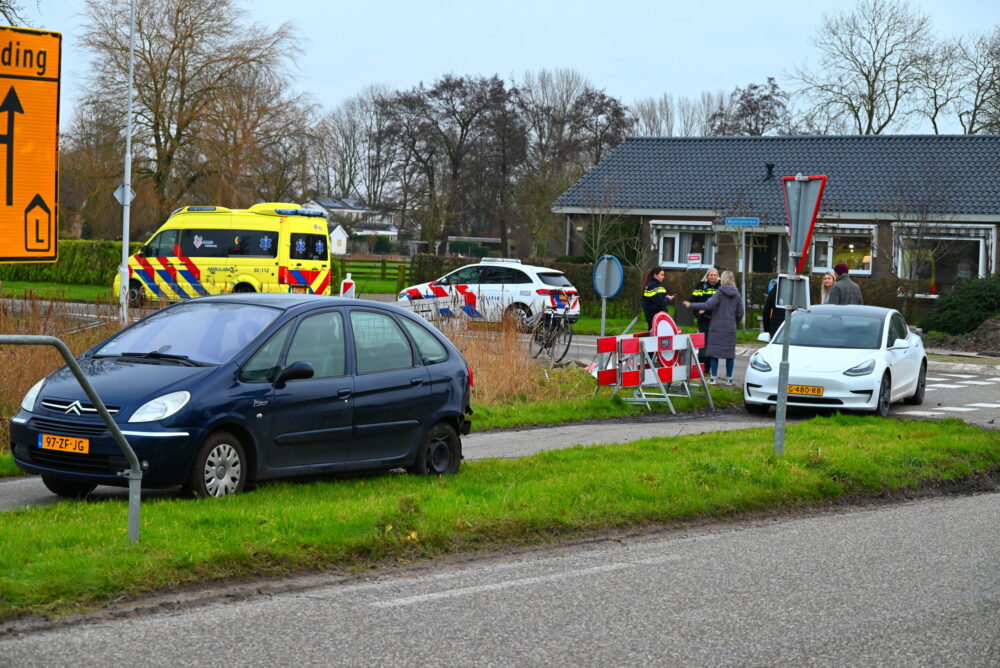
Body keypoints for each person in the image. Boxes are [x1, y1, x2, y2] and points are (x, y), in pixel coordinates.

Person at [683, 270, 744, 385]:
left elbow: (708, 305)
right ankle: (729, 379)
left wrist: (691, 305)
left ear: (723, 279)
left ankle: (713, 378)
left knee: (714, 353)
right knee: (729, 354)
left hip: (716, 326)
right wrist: (734, 322)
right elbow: (740, 313)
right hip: (730, 327)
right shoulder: (737, 294)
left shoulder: (719, 293)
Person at [689, 267, 720, 371]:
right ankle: (702, 367)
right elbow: (693, 301)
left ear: (718, 276)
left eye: (715, 275)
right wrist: (698, 313)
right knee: (703, 344)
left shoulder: (721, 287)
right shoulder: (700, 286)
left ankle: (710, 368)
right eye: (711, 275)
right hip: (704, 320)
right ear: (707, 276)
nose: (713, 277)